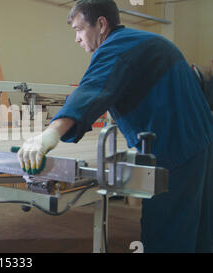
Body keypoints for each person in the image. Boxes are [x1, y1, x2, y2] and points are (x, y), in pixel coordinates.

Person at [17, 0, 213, 253]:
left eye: (78, 29)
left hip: (174, 151)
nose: (76, 39)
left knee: (168, 231)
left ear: (100, 24)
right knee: (198, 227)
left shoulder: (116, 47)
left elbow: (91, 89)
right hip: (201, 143)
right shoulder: (144, 41)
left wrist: (49, 134)